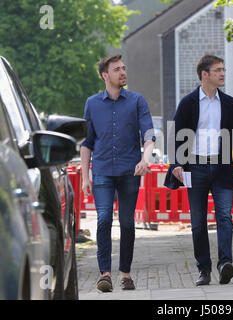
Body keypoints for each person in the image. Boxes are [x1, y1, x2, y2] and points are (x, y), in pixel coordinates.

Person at [164, 54, 233, 286]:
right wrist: (176, 164)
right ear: (205, 74)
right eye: (218, 70)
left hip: (222, 168)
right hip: (196, 168)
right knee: (198, 222)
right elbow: (175, 137)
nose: (222, 74)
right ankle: (204, 269)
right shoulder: (188, 103)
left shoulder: (229, 103)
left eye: (224, 69)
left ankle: (224, 263)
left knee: (224, 216)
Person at [80, 54, 155, 292]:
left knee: (127, 223)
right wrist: (84, 176)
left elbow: (149, 135)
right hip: (101, 170)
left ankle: (125, 274)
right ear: (105, 75)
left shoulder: (137, 101)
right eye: (117, 70)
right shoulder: (92, 103)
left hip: (129, 171)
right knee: (103, 219)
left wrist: (145, 158)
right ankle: (105, 274)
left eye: (124, 68)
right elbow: (86, 142)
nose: (123, 73)